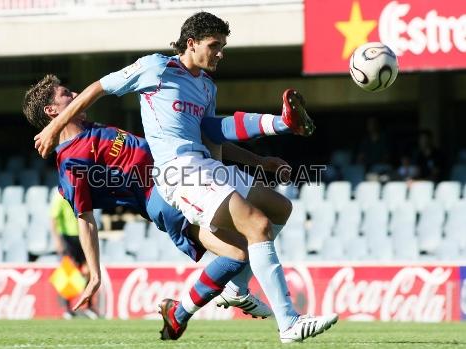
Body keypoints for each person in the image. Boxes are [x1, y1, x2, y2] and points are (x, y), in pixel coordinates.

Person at [32, 12, 336, 343]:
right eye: (214, 45)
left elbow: (213, 131)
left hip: (204, 167)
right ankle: (288, 323)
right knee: (254, 229)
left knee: (278, 209)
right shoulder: (153, 68)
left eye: (223, 45)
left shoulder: (205, 86)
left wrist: (268, 143)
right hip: (175, 179)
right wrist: (53, 128)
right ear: (191, 44)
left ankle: (214, 298)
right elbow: (99, 88)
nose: (221, 53)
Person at [23, 74, 291, 322]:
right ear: (52, 111)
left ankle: (190, 309)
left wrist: (258, 161)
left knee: (252, 235)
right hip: (162, 197)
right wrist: (94, 275)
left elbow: (204, 143)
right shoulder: (71, 161)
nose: (77, 94)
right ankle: (197, 307)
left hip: (182, 178)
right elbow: (85, 218)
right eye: (67, 93)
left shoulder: (92, 130)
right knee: (239, 251)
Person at [50, 191, 98, 319]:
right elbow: (53, 218)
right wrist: (57, 240)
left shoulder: (81, 193)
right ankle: (67, 309)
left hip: (83, 235)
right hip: (68, 238)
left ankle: (88, 307)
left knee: (88, 270)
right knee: (69, 272)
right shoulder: (60, 196)